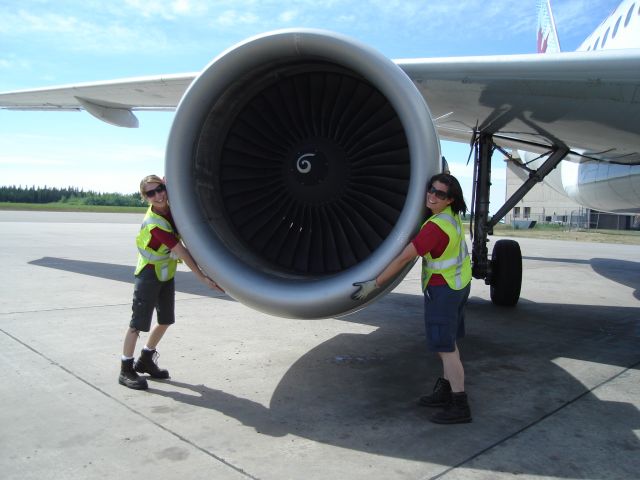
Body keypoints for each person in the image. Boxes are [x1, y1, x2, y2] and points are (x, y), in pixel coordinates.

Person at [352, 173, 472, 424]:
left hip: (444, 291)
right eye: (431, 189)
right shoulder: (451, 217)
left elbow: (403, 258)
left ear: (450, 199)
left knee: (446, 349)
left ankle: (460, 405)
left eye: (439, 194)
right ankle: (447, 390)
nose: (432, 195)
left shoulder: (435, 228)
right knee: (447, 345)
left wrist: (375, 283)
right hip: (458, 285)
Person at [119, 175, 223, 390]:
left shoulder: (170, 208)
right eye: (151, 193)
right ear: (144, 198)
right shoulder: (155, 223)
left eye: (160, 189)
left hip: (165, 273)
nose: (158, 195)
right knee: (137, 325)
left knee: (166, 319)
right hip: (148, 274)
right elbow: (181, 250)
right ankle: (126, 369)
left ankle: (145, 360)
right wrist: (202, 276)